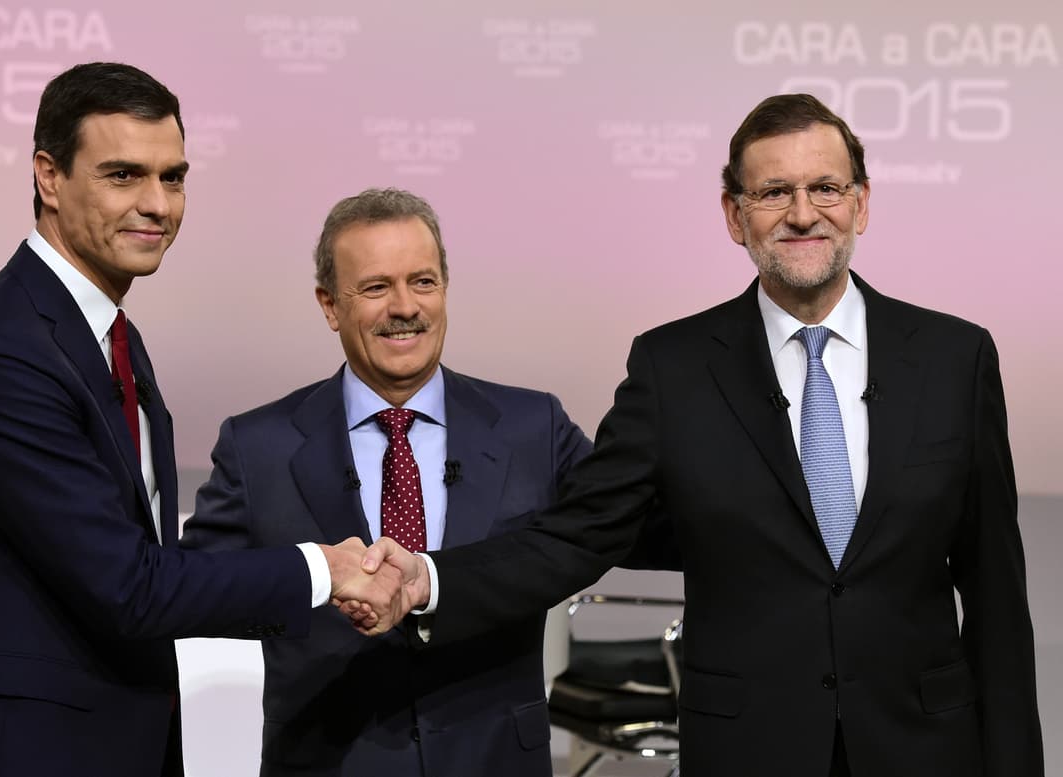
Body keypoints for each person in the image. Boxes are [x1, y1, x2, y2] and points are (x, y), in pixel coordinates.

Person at [356, 94, 1044, 777]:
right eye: (774, 191)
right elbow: (577, 534)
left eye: (825, 188)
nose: (803, 212)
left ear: (861, 203)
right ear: (734, 215)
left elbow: (996, 597)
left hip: (925, 748)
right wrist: (430, 578)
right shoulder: (672, 368)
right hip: (749, 751)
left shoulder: (957, 359)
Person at [0, 62, 403, 777]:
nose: (157, 204)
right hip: (20, 751)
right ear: (49, 176)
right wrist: (322, 569)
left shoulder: (107, 335)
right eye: (124, 175)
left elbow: (144, 566)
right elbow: (128, 587)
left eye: (173, 177)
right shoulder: (1, 353)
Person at [179, 187, 592, 776]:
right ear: (329, 305)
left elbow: (613, 527)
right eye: (376, 287)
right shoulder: (258, 446)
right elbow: (200, 590)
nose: (405, 306)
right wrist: (317, 578)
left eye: (422, 282)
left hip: (493, 760)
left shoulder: (535, 427)